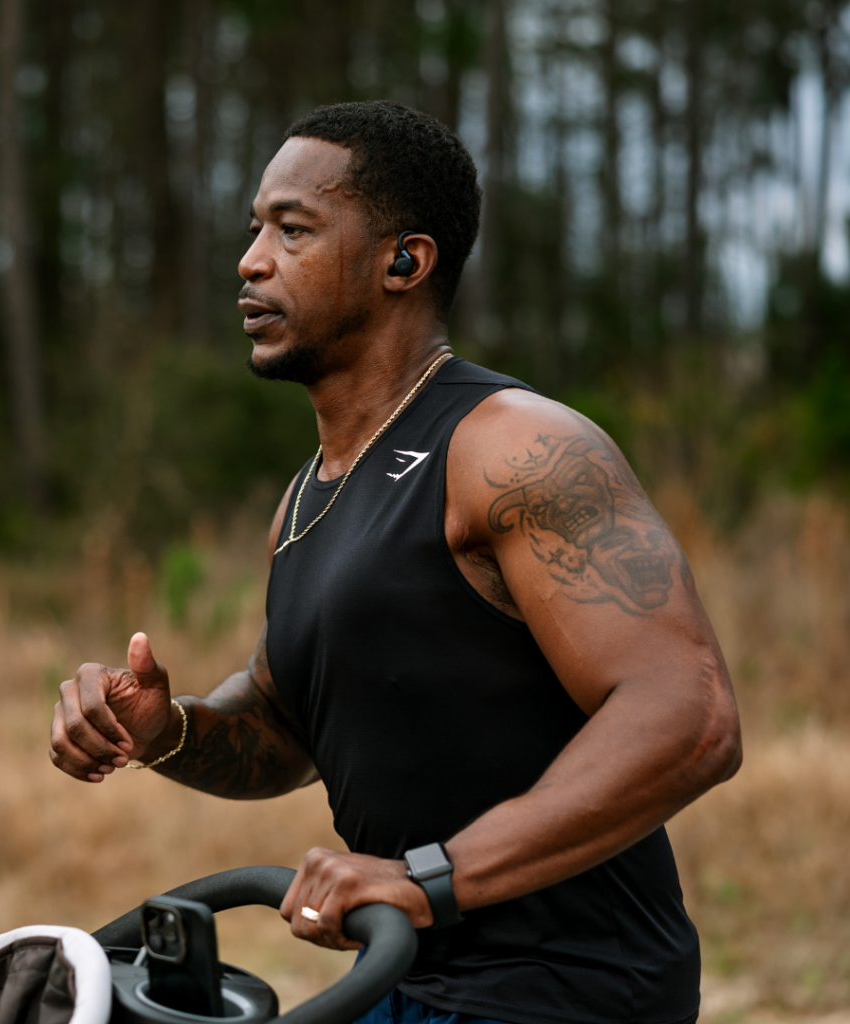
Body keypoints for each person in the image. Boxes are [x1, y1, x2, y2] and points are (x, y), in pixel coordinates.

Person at [50, 102, 741, 1024]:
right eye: (255, 229)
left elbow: (688, 716)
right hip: (408, 980)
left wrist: (429, 880)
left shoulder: (510, 446)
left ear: (404, 262)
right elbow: (289, 725)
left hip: (566, 993)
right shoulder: (307, 498)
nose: (251, 260)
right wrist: (164, 729)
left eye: (293, 230)